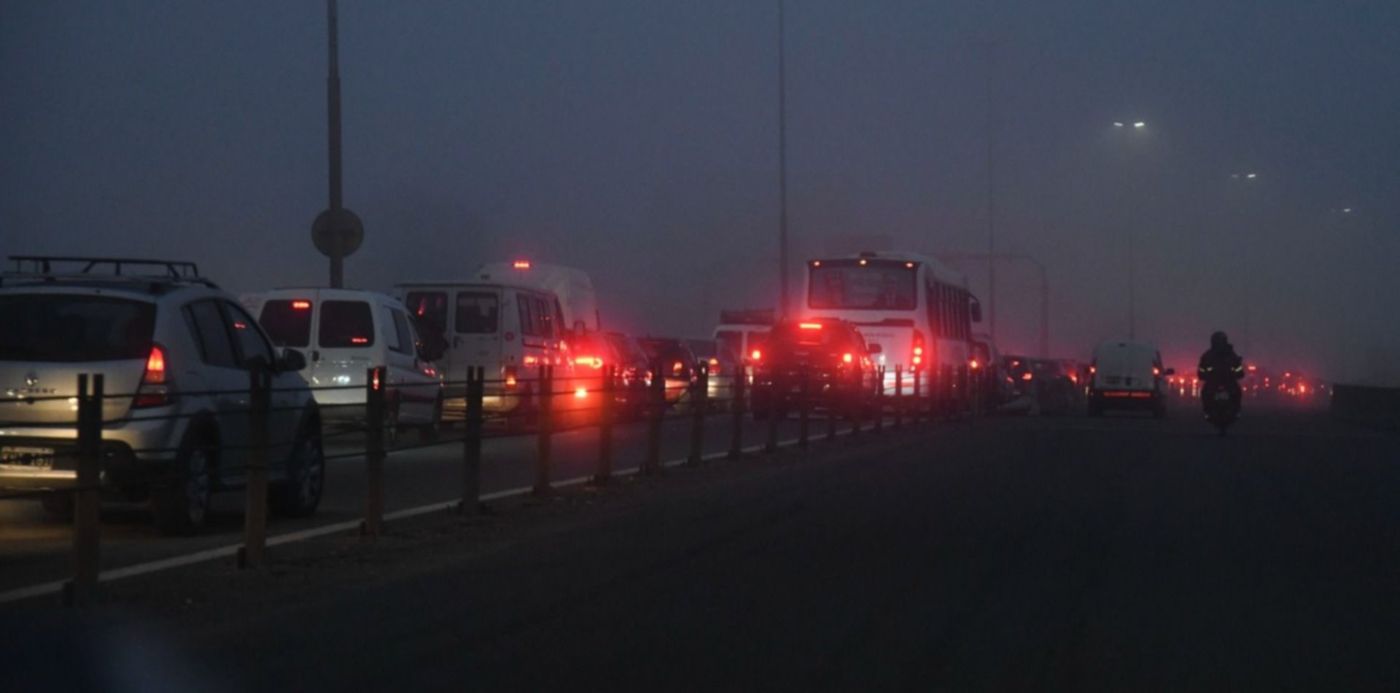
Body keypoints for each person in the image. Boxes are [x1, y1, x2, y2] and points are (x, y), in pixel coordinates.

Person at [1197, 331, 1244, 413]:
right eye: (1217, 341)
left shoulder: (1230, 355)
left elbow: (1239, 370)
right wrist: (1204, 375)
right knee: (1205, 393)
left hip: (1228, 383)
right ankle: (1208, 411)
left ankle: (1235, 411)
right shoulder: (1208, 355)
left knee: (1237, 393)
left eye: (1220, 341)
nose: (1219, 344)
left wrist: (1236, 374)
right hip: (1213, 383)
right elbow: (1201, 370)